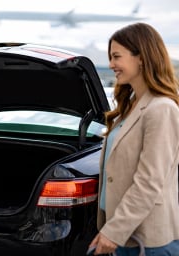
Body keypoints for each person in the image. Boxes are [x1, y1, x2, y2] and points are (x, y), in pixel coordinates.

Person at [88, 22, 179, 255]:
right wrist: (111, 228)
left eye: (116, 56)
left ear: (141, 57)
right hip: (123, 233)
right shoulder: (129, 108)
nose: (111, 65)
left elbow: (149, 181)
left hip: (148, 240)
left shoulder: (162, 109)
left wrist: (114, 231)